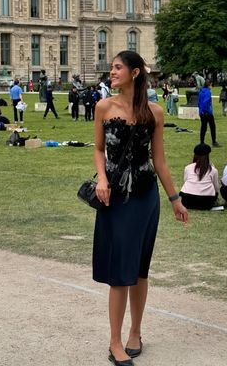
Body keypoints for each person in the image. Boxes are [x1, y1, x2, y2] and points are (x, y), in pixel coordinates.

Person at [94, 50, 188, 365]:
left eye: (118, 67)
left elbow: (159, 160)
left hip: (146, 197)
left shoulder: (155, 112)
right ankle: (114, 341)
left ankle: (135, 332)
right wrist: (102, 180)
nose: (112, 72)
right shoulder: (103, 107)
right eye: (111, 68)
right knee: (120, 272)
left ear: (135, 73)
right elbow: (97, 149)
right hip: (116, 197)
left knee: (139, 270)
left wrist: (175, 199)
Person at [179, 143, 219, 210]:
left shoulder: (188, 168)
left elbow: (185, 181)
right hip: (206, 203)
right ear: (207, 156)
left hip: (187, 202)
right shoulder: (213, 170)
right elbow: (216, 188)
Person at [198, 80, 220, 147]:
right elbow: (206, 102)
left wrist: (201, 111)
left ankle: (202, 142)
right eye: (211, 85)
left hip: (201, 112)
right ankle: (214, 141)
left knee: (203, 127)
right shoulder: (208, 92)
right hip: (207, 112)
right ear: (209, 85)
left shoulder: (201, 92)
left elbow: (199, 102)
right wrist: (206, 110)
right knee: (212, 127)